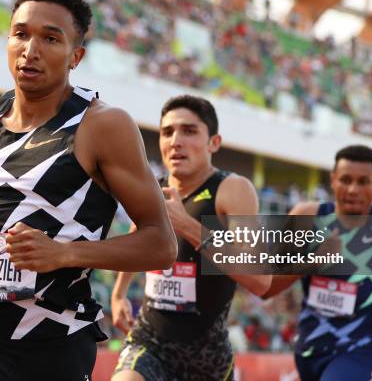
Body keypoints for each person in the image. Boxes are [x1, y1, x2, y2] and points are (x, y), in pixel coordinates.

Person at [0, 0, 176, 381]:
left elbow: (161, 243)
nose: (30, 49)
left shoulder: (102, 126)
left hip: (55, 345)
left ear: (76, 56)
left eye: (50, 38)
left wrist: (64, 254)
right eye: (21, 34)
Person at [111, 95, 271, 381]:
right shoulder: (154, 188)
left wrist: (187, 225)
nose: (176, 141)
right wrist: (119, 293)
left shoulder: (232, 190)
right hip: (149, 342)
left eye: (189, 131)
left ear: (214, 143)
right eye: (167, 132)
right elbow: (136, 238)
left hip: (207, 359)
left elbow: (260, 279)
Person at [262, 145, 372, 381]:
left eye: (363, 181)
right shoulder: (307, 217)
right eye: (345, 180)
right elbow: (266, 285)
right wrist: (313, 262)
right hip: (310, 348)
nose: (353, 189)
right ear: (333, 180)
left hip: (361, 347)